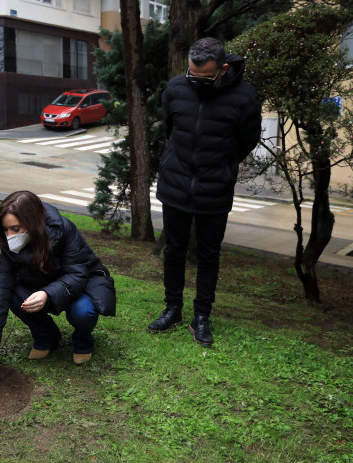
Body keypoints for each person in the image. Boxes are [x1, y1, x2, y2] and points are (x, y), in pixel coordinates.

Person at [149, 37, 262, 347]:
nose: (196, 83)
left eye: (205, 77)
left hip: (215, 187)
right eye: (192, 76)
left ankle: (202, 317)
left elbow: (247, 141)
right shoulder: (174, 89)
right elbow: (171, 131)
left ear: (222, 69)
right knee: (174, 249)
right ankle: (172, 309)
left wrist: (221, 165)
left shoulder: (245, 97)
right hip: (176, 183)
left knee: (209, 255)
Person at [0, 191, 116, 374]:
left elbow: (77, 274)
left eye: (15, 229)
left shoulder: (64, 229)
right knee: (10, 292)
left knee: (83, 311)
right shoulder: (10, 246)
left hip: (82, 284)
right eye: (5, 229)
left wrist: (48, 293)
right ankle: (46, 335)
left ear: (33, 223)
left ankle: (83, 339)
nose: (9, 236)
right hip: (42, 283)